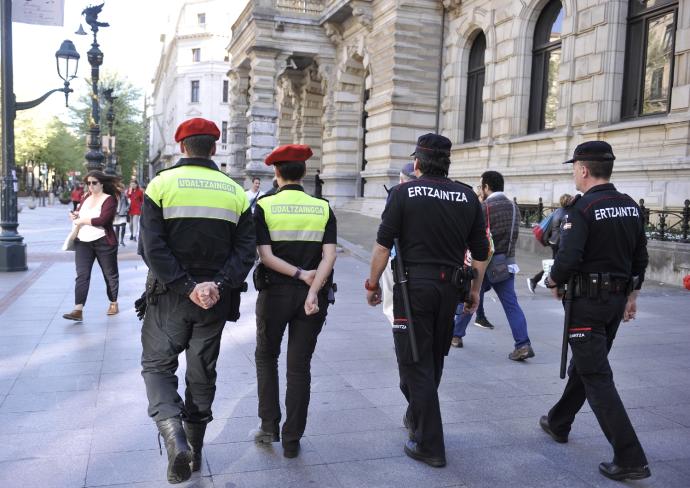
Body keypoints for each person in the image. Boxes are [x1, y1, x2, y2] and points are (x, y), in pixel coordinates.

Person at [139, 118, 255, 484]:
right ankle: (196, 447)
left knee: (158, 366)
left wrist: (185, 285)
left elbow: (150, 247)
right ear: (214, 149)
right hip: (215, 301)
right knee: (202, 372)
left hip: (169, 297)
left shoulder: (160, 184)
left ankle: (174, 436)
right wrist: (216, 284)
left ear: (182, 147)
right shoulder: (234, 191)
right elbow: (245, 250)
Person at [366, 134, 488, 468]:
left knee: (412, 361)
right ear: (447, 163)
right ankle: (418, 415)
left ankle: (430, 444)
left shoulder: (404, 193)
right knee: (431, 358)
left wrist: (373, 283)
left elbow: (381, 246)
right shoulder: (467, 196)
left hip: (412, 288)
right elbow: (481, 253)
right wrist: (474, 291)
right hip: (450, 288)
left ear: (417, 163)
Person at [540, 141, 650, 481]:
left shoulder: (582, 209)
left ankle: (629, 457)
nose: (573, 171)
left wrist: (552, 280)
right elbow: (639, 258)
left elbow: (569, 258)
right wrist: (632, 295)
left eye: (574, 166)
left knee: (597, 376)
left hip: (587, 302)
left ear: (584, 169)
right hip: (615, 301)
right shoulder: (630, 206)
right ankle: (559, 421)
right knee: (589, 365)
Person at [252, 144, 337, 459]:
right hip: (311, 298)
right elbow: (330, 255)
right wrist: (313, 288)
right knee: (299, 367)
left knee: (266, 358)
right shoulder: (323, 207)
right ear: (305, 172)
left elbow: (265, 255)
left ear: (276, 172)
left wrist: (300, 274)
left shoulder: (264, 206)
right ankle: (292, 440)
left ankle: (268, 426)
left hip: (275, 294)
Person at [451, 171, 534, 360]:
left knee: (470, 297)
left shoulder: (484, 207)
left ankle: (456, 336)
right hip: (507, 264)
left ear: (487, 187)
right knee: (512, 305)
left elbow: (473, 237)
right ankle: (523, 344)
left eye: (481, 186)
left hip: (485, 265)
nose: (480, 190)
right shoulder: (514, 207)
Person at [62, 171, 122, 321]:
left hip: (103, 241)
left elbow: (103, 220)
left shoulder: (109, 199)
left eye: (94, 183)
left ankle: (113, 302)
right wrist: (75, 215)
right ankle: (78, 309)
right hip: (83, 241)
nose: (90, 186)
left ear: (101, 183)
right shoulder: (86, 198)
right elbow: (79, 212)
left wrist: (82, 220)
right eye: (88, 183)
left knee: (110, 274)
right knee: (82, 275)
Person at [382, 162, 417, 324]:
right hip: (418, 259)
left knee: (391, 302)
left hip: (396, 256)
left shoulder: (395, 195)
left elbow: (385, 234)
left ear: (402, 180)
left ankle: (399, 331)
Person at [527, 193, 572, 293]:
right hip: (560, 243)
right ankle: (534, 280)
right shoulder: (567, 213)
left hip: (554, 242)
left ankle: (560, 286)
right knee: (556, 265)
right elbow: (566, 230)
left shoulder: (557, 211)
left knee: (556, 265)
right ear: (569, 202)